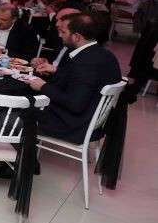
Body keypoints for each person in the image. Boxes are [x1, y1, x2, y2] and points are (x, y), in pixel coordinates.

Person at [27, 13, 122, 143]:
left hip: (72, 125)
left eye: (64, 32)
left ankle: (22, 153)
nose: (60, 35)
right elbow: (82, 81)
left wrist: (43, 86)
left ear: (77, 37)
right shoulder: (105, 55)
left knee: (12, 113)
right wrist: (56, 71)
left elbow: (75, 104)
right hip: (90, 120)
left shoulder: (85, 62)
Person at [31, 7, 80, 76]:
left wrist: (53, 70)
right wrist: (44, 62)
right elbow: (55, 63)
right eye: (56, 20)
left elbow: (70, 75)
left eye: (62, 19)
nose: (57, 24)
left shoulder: (79, 48)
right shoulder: (61, 38)